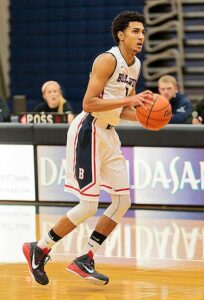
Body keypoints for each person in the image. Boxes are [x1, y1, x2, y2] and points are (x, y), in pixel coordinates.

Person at [22, 11, 153, 286]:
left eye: (142, 31)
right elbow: (89, 103)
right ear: (121, 34)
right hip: (88, 130)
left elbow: (124, 110)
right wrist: (130, 103)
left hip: (109, 133)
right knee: (88, 205)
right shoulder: (107, 60)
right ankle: (41, 248)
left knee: (122, 201)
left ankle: (86, 257)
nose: (141, 36)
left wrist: (145, 115)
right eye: (135, 31)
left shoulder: (135, 65)